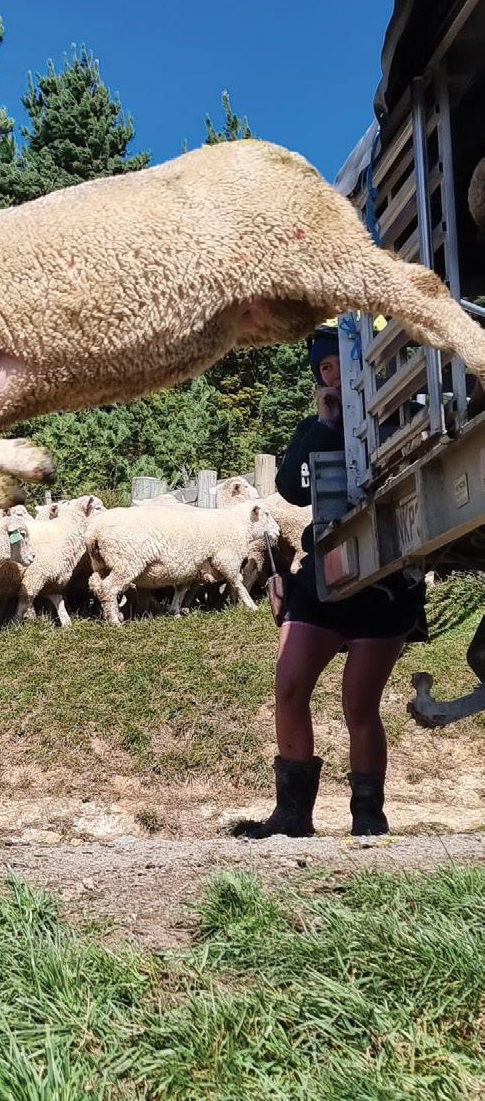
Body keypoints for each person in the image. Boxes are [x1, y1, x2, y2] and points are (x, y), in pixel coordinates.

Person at [239, 325, 427, 839]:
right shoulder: (312, 428)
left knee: (359, 705)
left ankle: (368, 816)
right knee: (289, 685)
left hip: (384, 581)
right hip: (324, 570)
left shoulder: (397, 412)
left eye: (342, 365)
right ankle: (292, 816)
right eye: (325, 368)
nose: (335, 376)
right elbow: (291, 490)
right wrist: (325, 425)